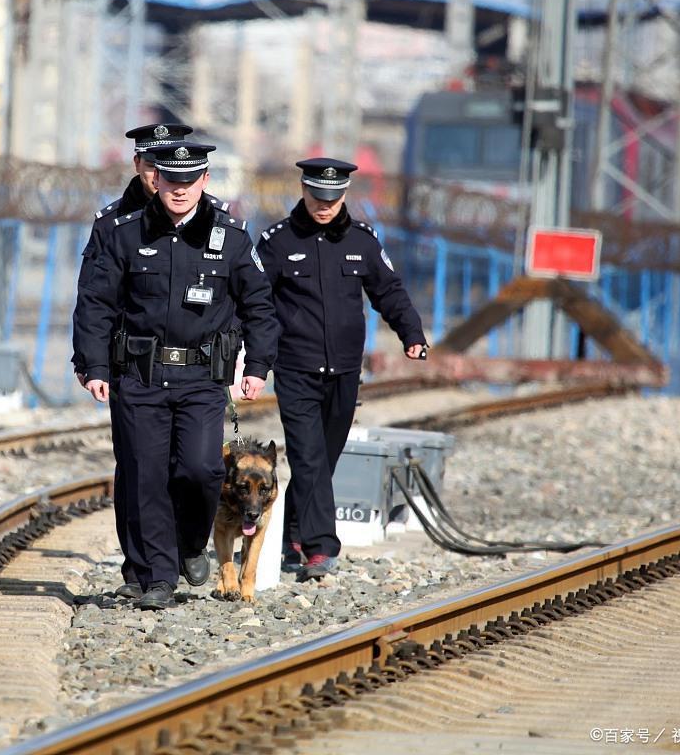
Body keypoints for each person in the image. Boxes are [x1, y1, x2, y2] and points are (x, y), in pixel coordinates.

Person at [73, 142, 278, 610]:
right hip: (139, 377)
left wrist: (259, 366)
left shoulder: (231, 236)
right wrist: (94, 366)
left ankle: (189, 542)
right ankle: (157, 578)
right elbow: (95, 304)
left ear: (204, 181)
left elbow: (260, 308)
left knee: (202, 471)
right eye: (171, 180)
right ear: (156, 180)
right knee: (145, 478)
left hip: (202, 380)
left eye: (190, 182)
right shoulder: (124, 233)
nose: (180, 190)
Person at [256, 158, 427, 582]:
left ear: (345, 195)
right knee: (308, 456)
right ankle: (320, 547)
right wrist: (251, 356)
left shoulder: (363, 241)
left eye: (333, 198)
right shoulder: (277, 242)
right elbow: (253, 302)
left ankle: (290, 535)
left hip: (345, 372)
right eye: (317, 196)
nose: (324, 205)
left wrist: (412, 334)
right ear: (303, 189)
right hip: (295, 368)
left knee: (323, 460)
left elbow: (388, 289)